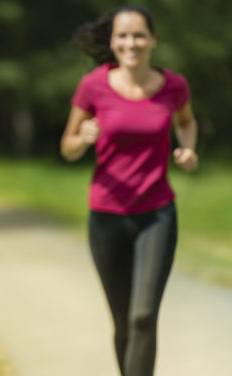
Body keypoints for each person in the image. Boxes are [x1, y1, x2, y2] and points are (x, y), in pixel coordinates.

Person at [60, 5, 198, 376]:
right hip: (106, 217)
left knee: (142, 317)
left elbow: (186, 123)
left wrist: (187, 148)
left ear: (152, 40)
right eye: (122, 35)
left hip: (157, 214)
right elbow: (67, 146)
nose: (131, 42)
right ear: (112, 41)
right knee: (123, 323)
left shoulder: (173, 85)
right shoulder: (94, 85)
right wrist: (83, 139)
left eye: (139, 34)